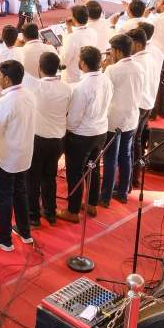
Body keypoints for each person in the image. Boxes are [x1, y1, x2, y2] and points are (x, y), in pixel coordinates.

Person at [0, 59, 36, 251]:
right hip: (24, 154)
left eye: (0, 76)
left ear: (7, 79)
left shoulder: (5, 101)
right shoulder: (29, 95)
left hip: (6, 157)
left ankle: (5, 239)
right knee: (20, 192)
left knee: (4, 196)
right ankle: (24, 231)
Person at [59, 46, 113, 223]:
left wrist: (65, 130)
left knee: (75, 173)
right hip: (100, 132)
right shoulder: (106, 80)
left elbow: (74, 119)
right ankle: (91, 203)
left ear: (83, 63)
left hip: (82, 136)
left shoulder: (82, 87)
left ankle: (73, 211)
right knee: (93, 168)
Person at [23, 52, 71, 226]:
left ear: (39, 68)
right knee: (50, 176)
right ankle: (50, 212)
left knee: (32, 178)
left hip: (38, 139)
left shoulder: (36, 87)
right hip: (58, 139)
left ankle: (33, 216)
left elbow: (20, 72)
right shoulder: (66, 88)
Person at [101, 34, 143, 206]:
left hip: (114, 119)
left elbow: (105, 93)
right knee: (125, 155)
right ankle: (123, 191)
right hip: (132, 117)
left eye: (111, 50)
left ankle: (105, 196)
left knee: (110, 158)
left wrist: (105, 70)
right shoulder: (139, 67)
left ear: (118, 51)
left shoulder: (112, 70)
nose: (110, 54)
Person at [60, 4, 98, 83]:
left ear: (73, 18)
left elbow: (64, 61)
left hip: (72, 78)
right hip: (87, 74)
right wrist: (69, 28)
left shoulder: (71, 37)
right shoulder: (93, 32)